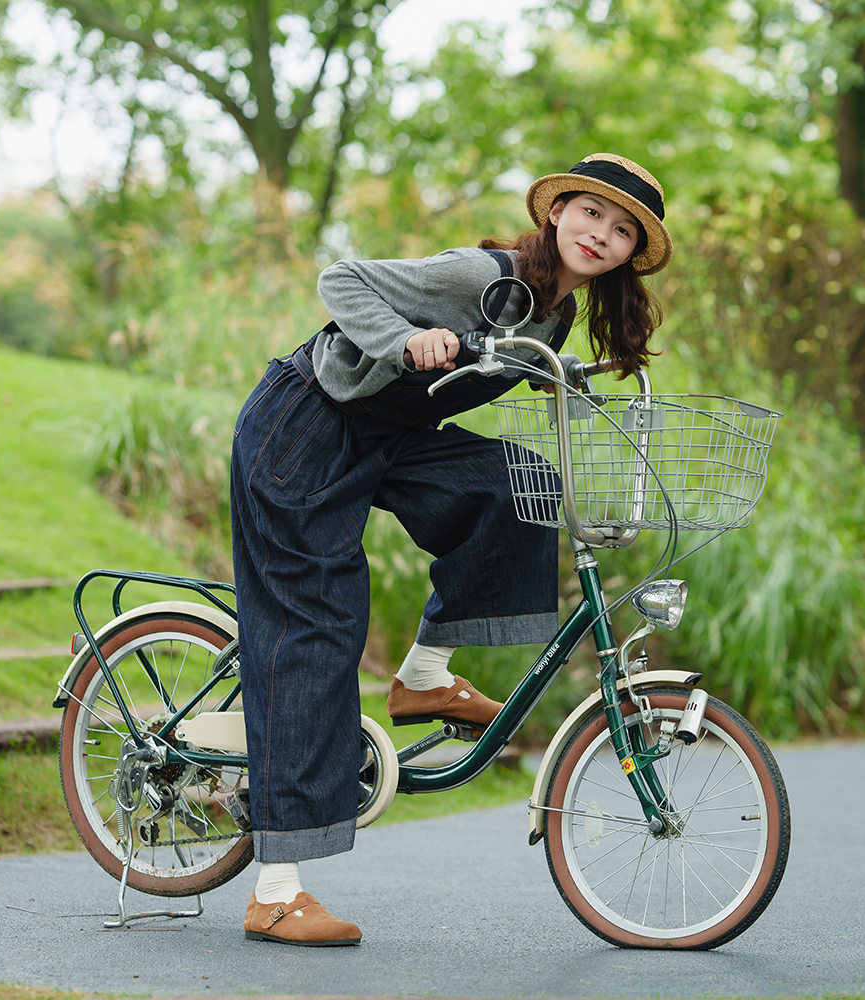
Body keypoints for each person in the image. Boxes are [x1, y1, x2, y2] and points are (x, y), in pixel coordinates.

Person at [229, 153, 673, 946]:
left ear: (630, 255)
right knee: (319, 625)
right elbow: (341, 281)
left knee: (516, 487)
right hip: (304, 428)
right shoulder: (478, 275)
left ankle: (424, 678)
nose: (600, 234)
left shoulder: (555, 313)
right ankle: (276, 891)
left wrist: (560, 372)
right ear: (557, 212)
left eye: (621, 230)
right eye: (590, 213)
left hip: (390, 437)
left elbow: (500, 350)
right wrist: (406, 339)